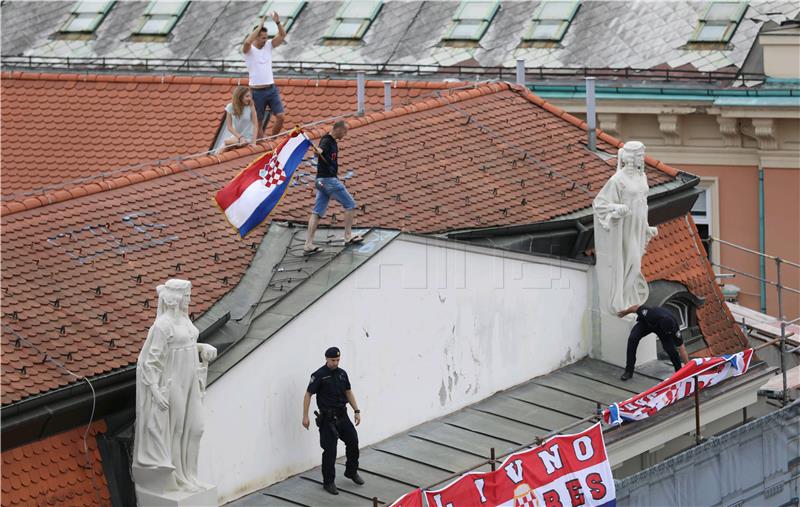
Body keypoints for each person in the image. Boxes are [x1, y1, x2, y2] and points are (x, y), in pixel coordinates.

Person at [133, 279, 217, 493]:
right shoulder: (162, 326)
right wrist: (154, 391)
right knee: (177, 430)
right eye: (187, 296)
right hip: (173, 382)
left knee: (196, 428)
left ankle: (191, 474)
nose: (189, 299)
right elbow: (150, 362)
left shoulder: (185, 321)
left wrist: (202, 347)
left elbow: (185, 344)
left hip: (191, 380)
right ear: (176, 298)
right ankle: (180, 478)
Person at [302, 347, 364, 495]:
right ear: (326, 359)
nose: (336, 363)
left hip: (343, 415)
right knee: (330, 451)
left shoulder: (342, 374)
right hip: (327, 419)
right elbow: (308, 394)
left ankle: (351, 471)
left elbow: (348, 392)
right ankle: (329, 482)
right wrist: (305, 416)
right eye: (333, 360)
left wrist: (356, 410)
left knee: (353, 442)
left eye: (338, 360)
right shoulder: (319, 375)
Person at [303, 120, 363, 255]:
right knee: (350, 204)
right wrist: (317, 151)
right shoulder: (327, 140)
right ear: (337, 129)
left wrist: (319, 152)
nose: (345, 134)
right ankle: (348, 236)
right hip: (328, 180)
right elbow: (319, 150)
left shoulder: (332, 142)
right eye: (345, 131)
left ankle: (308, 244)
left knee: (317, 211)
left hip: (320, 181)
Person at [617, 304, 690, 381]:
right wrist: (625, 312)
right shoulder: (650, 313)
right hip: (646, 324)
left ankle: (679, 373)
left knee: (671, 350)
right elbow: (635, 308)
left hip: (663, 332)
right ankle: (628, 371)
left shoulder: (675, 329)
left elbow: (682, 349)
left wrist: (689, 369)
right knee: (633, 339)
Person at [242, 11, 286, 138]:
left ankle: (273, 140)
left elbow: (282, 35)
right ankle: (263, 144)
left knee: (281, 116)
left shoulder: (268, 46)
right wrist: (259, 26)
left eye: (266, 37)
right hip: (256, 92)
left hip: (271, 89)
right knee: (259, 121)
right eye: (262, 37)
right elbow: (246, 43)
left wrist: (278, 22)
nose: (265, 39)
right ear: (256, 37)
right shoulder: (248, 50)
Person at [217, 86, 258, 153]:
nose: (249, 98)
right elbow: (229, 127)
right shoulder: (230, 107)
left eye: (250, 96)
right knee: (222, 149)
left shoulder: (251, 106)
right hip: (237, 137)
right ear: (240, 97)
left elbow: (255, 125)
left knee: (226, 143)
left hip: (248, 138)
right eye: (247, 96)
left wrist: (254, 142)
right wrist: (240, 137)